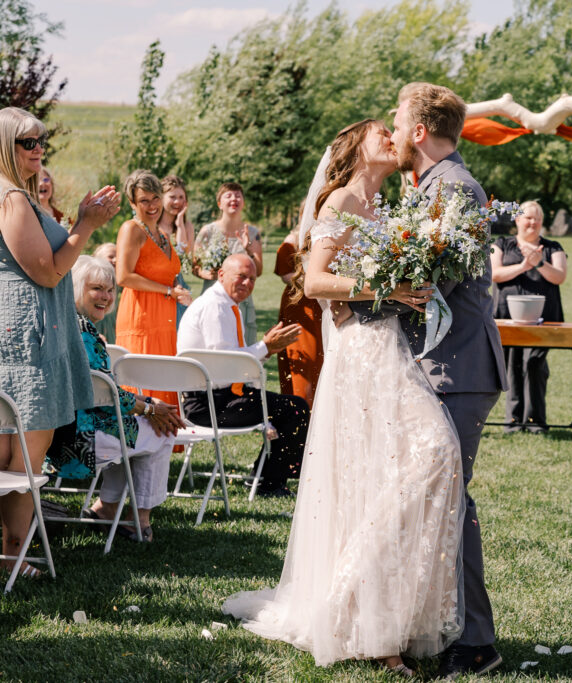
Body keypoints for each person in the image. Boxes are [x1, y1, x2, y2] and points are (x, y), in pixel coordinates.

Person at [222, 118, 464, 678]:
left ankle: (375, 609)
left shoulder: (384, 206)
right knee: (433, 451)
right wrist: (390, 288)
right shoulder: (341, 202)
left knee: (413, 461)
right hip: (361, 355)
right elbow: (314, 282)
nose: (389, 137)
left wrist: (411, 294)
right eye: (380, 132)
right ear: (356, 149)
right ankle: (362, 606)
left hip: (389, 347)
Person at [350, 83, 507, 678]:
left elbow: (425, 283)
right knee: (435, 504)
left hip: (456, 368)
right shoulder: (431, 187)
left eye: (397, 120)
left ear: (419, 131)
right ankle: (435, 626)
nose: (390, 129)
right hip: (436, 365)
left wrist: (360, 298)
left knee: (448, 503)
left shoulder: (455, 190)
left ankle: (475, 642)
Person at [0, 106, 119, 577]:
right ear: (6, 145)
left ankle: (10, 554)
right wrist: (86, 224)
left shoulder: (17, 196)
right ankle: (12, 558)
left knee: (15, 453)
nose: (38, 149)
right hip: (26, 340)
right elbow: (47, 271)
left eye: (41, 140)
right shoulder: (11, 199)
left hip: (25, 333)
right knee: (22, 459)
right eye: (27, 142)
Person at [45, 256, 183, 542]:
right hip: (80, 438)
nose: (106, 297)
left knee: (140, 432)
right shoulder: (82, 333)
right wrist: (148, 408)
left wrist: (147, 406)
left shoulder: (61, 324)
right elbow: (104, 392)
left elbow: (105, 392)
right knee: (163, 433)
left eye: (110, 290)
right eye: (96, 288)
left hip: (52, 434)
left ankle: (107, 508)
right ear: (75, 289)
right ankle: (136, 518)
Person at [177, 254, 308, 498]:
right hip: (208, 405)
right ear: (221, 275)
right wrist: (265, 347)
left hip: (218, 396)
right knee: (295, 409)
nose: (247, 284)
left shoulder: (224, 305)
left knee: (291, 406)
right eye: (241, 277)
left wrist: (267, 350)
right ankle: (267, 483)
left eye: (252, 279)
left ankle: (266, 477)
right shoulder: (215, 307)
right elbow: (225, 365)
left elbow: (230, 364)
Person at [114, 170, 190, 406]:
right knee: (145, 382)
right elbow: (124, 276)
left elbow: (167, 273)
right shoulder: (131, 229)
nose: (152, 205)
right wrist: (167, 291)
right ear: (132, 203)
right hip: (141, 316)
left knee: (166, 379)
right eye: (143, 201)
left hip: (165, 319)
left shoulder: (163, 235)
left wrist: (176, 288)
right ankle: (142, 441)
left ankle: (169, 443)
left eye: (155, 198)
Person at [491, 200, 567, 432]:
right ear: (517, 220)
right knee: (512, 365)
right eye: (528, 217)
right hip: (506, 316)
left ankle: (535, 421)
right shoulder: (501, 244)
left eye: (537, 218)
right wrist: (524, 266)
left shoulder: (553, 247)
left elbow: (559, 276)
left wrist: (539, 263)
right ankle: (513, 421)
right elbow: (494, 274)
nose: (532, 222)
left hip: (544, 319)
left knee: (534, 363)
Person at [194, 183, 262, 344]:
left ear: (243, 202)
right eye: (228, 195)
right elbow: (195, 266)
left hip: (242, 299)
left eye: (238, 195)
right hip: (213, 296)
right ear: (219, 204)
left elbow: (258, 271)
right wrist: (205, 273)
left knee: (243, 347)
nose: (234, 199)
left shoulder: (252, 233)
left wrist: (249, 249)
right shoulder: (207, 231)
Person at [274, 218, 324, 407]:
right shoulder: (291, 241)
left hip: (323, 304)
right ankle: (300, 408)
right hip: (300, 305)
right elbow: (286, 276)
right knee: (305, 357)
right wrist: (319, 280)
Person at [156, 174, 195, 326]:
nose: (177, 201)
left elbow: (183, 255)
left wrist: (180, 225)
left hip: (179, 287)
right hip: (159, 285)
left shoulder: (187, 226)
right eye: (172, 197)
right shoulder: (153, 226)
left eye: (181, 197)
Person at [91, 242, 119, 343]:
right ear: (97, 258)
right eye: (111, 256)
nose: (115, 260)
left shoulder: (119, 286)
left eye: (118, 257)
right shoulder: (88, 283)